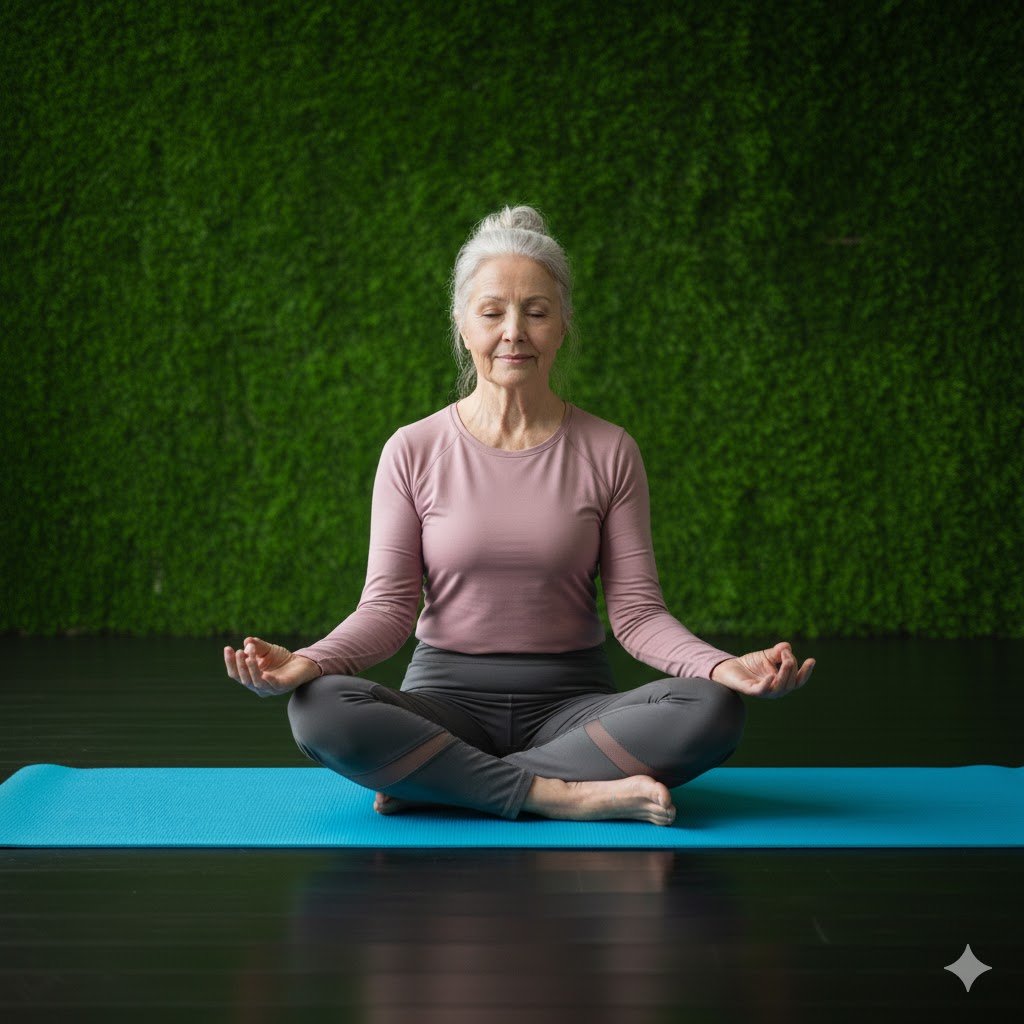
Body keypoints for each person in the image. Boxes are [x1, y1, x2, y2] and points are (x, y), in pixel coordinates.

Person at [223, 205, 814, 826]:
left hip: (572, 709)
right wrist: (307, 662)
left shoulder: (610, 449)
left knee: (712, 709)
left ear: (562, 325)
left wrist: (721, 666)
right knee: (317, 709)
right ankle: (558, 794)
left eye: (536, 311)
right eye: (492, 312)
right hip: (444, 703)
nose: (514, 332)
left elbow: (638, 615)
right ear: (461, 324)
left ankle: (444, 780)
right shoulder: (412, 449)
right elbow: (387, 611)